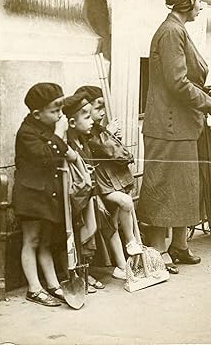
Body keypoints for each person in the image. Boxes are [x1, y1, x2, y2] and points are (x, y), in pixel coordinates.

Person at [137, 0, 211, 274]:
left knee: (183, 188)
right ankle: (159, 253)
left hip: (180, 126)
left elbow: (185, 78)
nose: (203, 4)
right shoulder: (172, 32)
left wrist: (203, 93)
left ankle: (179, 245)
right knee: (163, 189)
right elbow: (176, 83)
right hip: (169, 127)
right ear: (187, 2)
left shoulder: (177, 30)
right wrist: (210, 104)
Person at [12, 82, 77, 306]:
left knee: (46, 241)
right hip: (31, 195)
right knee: (32, 239)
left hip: (48, 194)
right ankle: (34, 288)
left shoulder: (48, 127)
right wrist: (59, 135)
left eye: (61, 109)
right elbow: (45, 155)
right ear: (37, 114)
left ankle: (52, 284)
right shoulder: (26, 133)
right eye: (55, 111)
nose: (60, 115)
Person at [74, 85, 142, 280]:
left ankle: (122, 265)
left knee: (111, 223)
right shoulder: (90, 133)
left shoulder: (97, 130)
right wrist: (109, 134)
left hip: (108, 183)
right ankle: (130, 242)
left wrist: (109, 135)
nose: (102, 112)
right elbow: (113, 151)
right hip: (99, 185)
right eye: (98, 108)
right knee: (120, 209)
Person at [62, 92, 106, 292]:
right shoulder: (68, 145)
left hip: (88, 196)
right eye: (86, 117)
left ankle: (85, 273)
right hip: (75, 198)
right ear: (71, 122)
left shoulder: (83, 142)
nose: (91, 122)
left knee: (90, 230)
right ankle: (76, 274)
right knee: (77, 235)